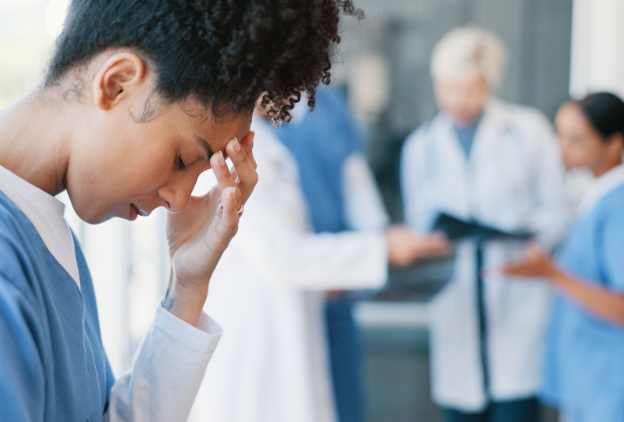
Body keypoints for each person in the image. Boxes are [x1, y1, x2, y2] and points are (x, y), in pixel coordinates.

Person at [0, 1, 360, 421]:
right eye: (182, 159)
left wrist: (187, 285)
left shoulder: (37, 229)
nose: (179, 197)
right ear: (117, 83)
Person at [193, 87, 448, 422]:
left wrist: (381, 236)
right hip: (260, 327)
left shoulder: (293, 128)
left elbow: (354, 184)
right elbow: (280, 257)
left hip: (322, 289)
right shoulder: (231, 150)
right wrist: (382, 248)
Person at [401, 27, 572, 422]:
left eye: (470, 89)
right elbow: (417, 227)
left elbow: (558, 213)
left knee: (515, 407)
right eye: (448, 88)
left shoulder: (528, 131)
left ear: (490, 84)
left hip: (516, 293)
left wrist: (533, 243)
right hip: (456, 300)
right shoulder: (420, 147)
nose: (458, 100)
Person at [502, 92, 624, 422]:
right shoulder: (595, 198)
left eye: (575, 140)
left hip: (609, 388)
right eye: (559, 135)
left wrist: (552, 274)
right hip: (590, 383)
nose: (560, 149)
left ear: (613, 145)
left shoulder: (618, 207)